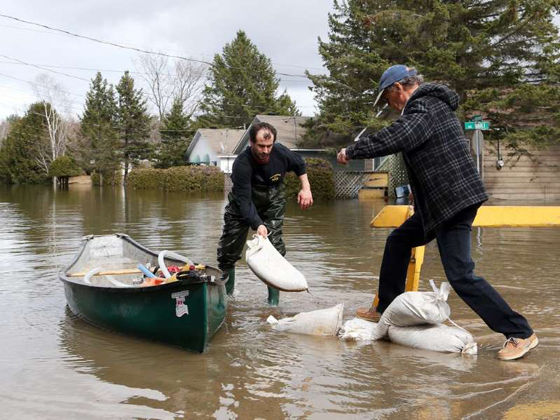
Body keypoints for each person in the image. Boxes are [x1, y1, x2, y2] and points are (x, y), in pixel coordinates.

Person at [337, 65, 537, 361]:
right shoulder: (429, 107)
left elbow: (399, 136)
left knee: (461, 275)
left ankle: (520, 332)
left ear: (398, 90)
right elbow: (430, 158)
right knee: (399, 241)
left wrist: (353, 150)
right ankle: (385, 308)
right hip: (438, 205)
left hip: (452, 203)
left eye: (388, 99)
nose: (390, 106)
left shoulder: (425, 106)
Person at [217, 122, 313, 305]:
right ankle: (227, 299)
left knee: (275, 247)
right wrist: (258, 224)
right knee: (228, 251)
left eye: (269, 146)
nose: (266, 151)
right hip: (242, 205)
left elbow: (300, 164)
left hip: (273, 200)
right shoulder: (241, 164)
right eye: (261, 146)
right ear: (251, 143)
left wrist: (306, 188)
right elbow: (245, 202)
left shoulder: (280, 152)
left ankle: (273, 304)